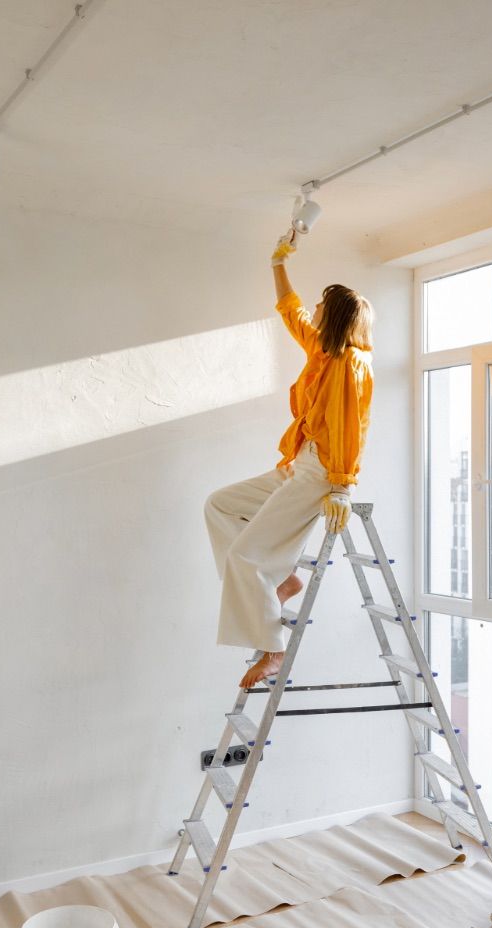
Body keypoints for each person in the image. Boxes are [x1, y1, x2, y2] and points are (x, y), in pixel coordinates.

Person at [204, 231, 375, 689]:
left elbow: (350, 428)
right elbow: (291, 311)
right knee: (219, 504)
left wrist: (343, 485)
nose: (314, 310)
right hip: (297, 462)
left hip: (320, 471)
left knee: (245, 557)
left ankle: (274, 649)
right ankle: (278, 586)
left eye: (323, 305)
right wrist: (278, 262)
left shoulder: (349, 365)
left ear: (336, 315)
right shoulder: (323, 352)